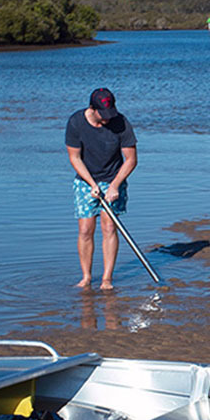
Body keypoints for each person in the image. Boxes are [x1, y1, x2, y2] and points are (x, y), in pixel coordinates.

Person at [65, 87, 137, 290]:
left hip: (114, 178)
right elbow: (74, 157)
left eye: (110, 114)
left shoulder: (121, 123)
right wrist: (91, 184)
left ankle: (106, 279)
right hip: (86, 180)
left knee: (109, 227)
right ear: (92, 108)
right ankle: (86, 277)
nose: (107, 119)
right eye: (102, 115)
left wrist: (114, 186)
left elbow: (131, 160)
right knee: (86, 229)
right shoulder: (76, 122)